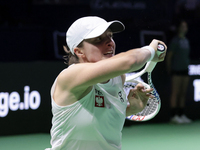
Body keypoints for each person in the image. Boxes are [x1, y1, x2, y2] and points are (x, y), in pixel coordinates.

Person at [45, 16, 167, 150]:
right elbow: (130, 61)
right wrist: (150, 50)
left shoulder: (118, 77)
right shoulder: (70, 77)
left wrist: (131, 109)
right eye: (98, 39)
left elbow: (100, 116)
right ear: (79, 51)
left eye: (110, 36)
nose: (109, 42)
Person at [167, 20, 192, 124]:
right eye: (182, 26)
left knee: (183, 93)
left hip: (185, 69)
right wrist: (169, 69)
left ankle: (181, 114)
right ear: (179, 28)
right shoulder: (175, 41)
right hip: (176, 70)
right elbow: (169, 56)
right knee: (176, 93)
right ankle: (174, 116)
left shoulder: (186, 41)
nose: (184, 28)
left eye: (185, 26)